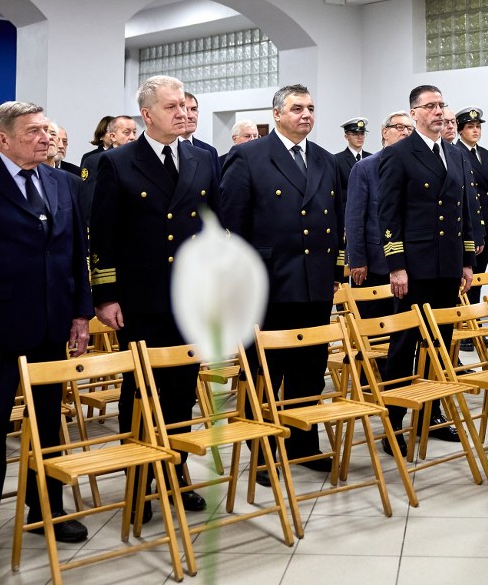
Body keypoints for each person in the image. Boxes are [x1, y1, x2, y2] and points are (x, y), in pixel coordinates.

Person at [0, 101, 92, 572]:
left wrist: (81, 315)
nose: (46, 138)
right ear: (2, 140)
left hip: (51, 327)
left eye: (47, 130)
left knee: (48, 426)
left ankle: (47, 510)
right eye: (34, 132)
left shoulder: (61, 182)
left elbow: (75, 252)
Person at [89, 76, 219, 515]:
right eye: (171, 106)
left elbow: (214, 225)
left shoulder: (203, 157)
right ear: (147, 114)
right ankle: (140, 480)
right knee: (141, 390)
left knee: (182, 389)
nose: (182, 112)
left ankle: (176, 472)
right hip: (141, 297)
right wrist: (105, 295)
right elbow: (103, 233)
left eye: (184, 105)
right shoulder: (118, 161)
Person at [220, 83, 343, 475]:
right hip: (268, 283)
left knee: (310, 368)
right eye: (296, 108)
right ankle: (261, 451)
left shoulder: (325, 159)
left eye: (310, 108)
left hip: (315, 282)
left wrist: (335, 272)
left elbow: (336, 221)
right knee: (265, 372)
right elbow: (232, 222)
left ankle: (303, 442)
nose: (305, 115)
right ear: (276, 114)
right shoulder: (248, 155)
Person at [378, 85, 477, 455]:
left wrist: (466, 260)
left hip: (447, 264)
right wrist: (396, 266)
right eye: (430, 106)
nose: (438, 111)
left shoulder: (455, 154)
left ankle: (431, 416)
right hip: (414, 267)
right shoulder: (399, 154)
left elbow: (464, 209)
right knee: (404, 345)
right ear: (414, 112)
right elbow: (388, 214)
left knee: (440, 342)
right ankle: (394, 423)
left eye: (441, 105)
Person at [345, 112, 413, 318]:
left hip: (409, 261)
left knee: (403, 324)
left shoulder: (414, 166)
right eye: (399, 127)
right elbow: (355, 219)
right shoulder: (365, 167)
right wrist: (357, 260)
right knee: (373, 324)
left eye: (409, 128)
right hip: (375, 263)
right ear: (385, 132)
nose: (405, 132)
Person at [456, 106, 488, 303]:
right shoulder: (455, 152)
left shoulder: (485, 154)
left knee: (479, 276)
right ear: (460, 130)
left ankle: (475, 312)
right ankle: (466, 315)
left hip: (487, 223)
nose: (475, 130)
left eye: (478, 127)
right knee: (467, 277)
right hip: (470, 223)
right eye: (470, 127)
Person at [79, 115, 136, 224]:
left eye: (134, 132)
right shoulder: (94, 161)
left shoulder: (140, 161)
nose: (133, 137)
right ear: (113, 136)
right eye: (127, 133)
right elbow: (88, 201)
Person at [180, 92, 222, 177]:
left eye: (194, 109)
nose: (191, 116)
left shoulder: (209, 151)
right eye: (185, 110)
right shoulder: (166, 149)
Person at [335, 117, 370, 194]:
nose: (360, 137)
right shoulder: (337, 160)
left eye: (362, 133)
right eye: (355, 134)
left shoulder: (371, 158)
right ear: (346, 136)